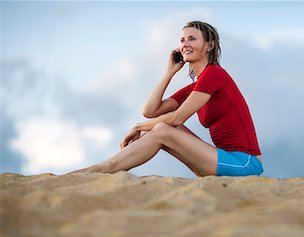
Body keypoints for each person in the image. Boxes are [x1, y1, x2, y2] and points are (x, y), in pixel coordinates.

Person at [72, 21, 263, 177]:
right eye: (182, 40)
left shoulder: (214, 74)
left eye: (192, 39)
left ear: (209, 46)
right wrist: (169, 72)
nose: (185, 44)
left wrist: (138, 127)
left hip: (244, 163)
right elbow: (150, 111)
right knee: (160, 129)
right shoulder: (196, 86)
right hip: (223, 161)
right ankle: (105, 167)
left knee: (164, 128)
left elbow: (176, 118)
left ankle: (101, 170)